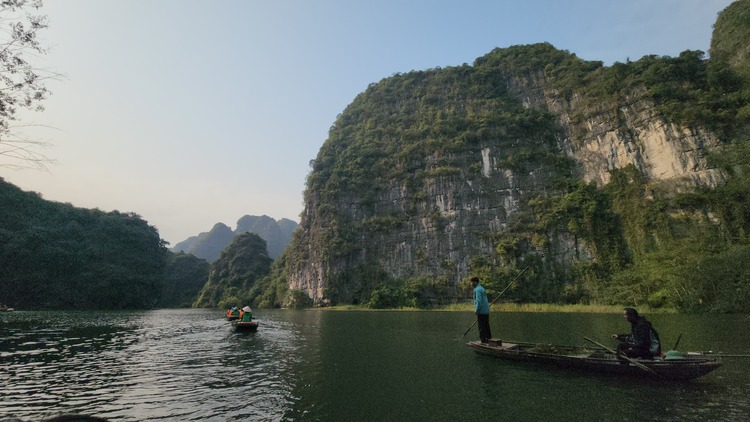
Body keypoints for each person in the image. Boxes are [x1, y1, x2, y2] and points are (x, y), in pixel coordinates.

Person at [471, 276, 492, 343]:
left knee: (481, 327)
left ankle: (483, 340)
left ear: (475, 282)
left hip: (481, 311)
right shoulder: (482, 288)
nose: (471, 284)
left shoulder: (477, 290)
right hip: (486, 311)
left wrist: (477, 310)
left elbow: (478, 301)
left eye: (471, 282)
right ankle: (489, 338)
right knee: (486, 326)